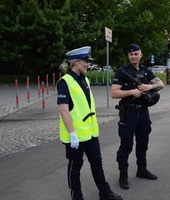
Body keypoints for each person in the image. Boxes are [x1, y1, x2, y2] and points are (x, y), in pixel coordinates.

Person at [57, 46, 123, 200]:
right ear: (76, 62)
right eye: (85, 61)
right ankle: (77, 197)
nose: (88, 64)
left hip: (91, 133)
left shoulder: (84, 79)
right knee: (75, 167)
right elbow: (63, 110)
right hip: (76, 136)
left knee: (97, 163)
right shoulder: (65, 82)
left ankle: (105, 193)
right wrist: (72, 134)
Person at [110, 43, 164, 190]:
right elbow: (114, 93)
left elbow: (161, 84)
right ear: (128, 56)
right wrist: (132, 92)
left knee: (143, 143)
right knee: (126, 145)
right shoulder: (122, 71)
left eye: (136, 54)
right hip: (129, 113)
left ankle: (142, 169)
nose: (133, 56)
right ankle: (123, 174)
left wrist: (150, 87)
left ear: (141, 55)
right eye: (131, 54)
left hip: (144, 113)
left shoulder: (146, 71)